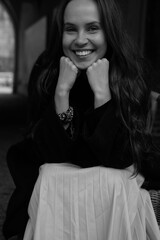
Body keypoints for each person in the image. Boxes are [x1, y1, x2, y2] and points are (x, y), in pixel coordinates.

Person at [3, 0, 160, 239]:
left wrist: (103, 96)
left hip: (113, 203)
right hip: (58, 202)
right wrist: (61, 94)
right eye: (71, 29)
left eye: (92, 28)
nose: (80, 39)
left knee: (114, 181)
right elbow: (48, 158)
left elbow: (120, 160)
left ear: (110, 31)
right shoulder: (47, 72)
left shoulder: (131, 75)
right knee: (50, 175)